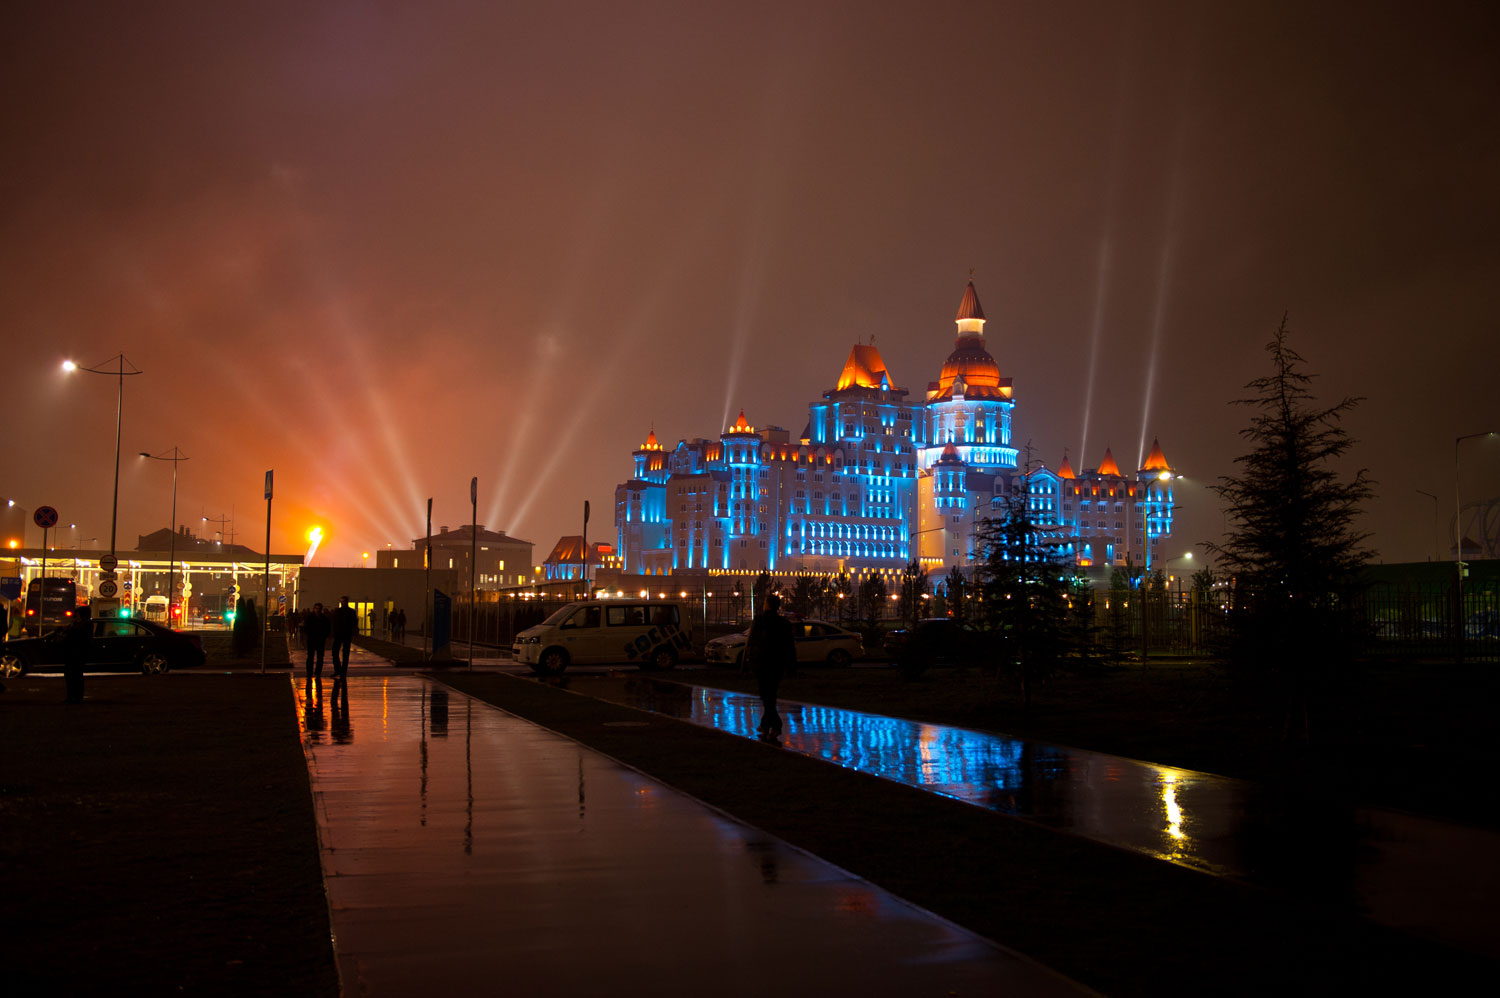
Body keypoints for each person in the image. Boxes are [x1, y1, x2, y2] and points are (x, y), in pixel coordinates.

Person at [743, 592, 796, 739]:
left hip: (762, 663)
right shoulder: (784, 624)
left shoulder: (759, 620)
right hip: (777, 664)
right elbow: (789, 647)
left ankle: (775, 726)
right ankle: (766, 725)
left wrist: (746, 663)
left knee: (767, 696)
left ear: (767, 604)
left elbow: (751, 642)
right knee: (770, 695)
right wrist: (791, 666)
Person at [62, 605, 93, 704]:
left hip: (78, 653)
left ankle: (76, 697)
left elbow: (79, 634)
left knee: (76, 676)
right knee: (70, 675)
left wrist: (68, 629)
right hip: (72, 653)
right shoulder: (77, 624)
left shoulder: (86, 624)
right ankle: (71, 696)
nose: (76, 616)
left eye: (78, 614)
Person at [330, 596, 357, 678]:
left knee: (344, 654)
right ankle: (339, 670)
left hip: (345, 634)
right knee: (336, 652)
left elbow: (353, 622)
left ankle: (341, 671)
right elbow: (334, 622)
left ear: (346, 602)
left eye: (343, 601)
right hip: (340, 634)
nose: (342, 603)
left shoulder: (349, 612)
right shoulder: (338, 611)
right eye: (341, 601)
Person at [304, 602, 330, 678]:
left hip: (320, 640)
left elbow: (327, 628)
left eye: (319, 609)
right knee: (310, 657)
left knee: (320, 657)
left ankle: (317, 672)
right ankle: (310, 672)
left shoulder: (324, 619)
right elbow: (306, 628)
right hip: (312, 639)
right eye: (316, 608)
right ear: (314, 609)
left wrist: (324, 636)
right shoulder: (310, 618)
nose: (317, 610)